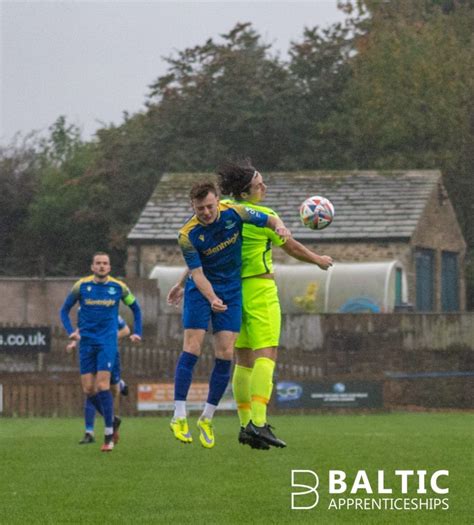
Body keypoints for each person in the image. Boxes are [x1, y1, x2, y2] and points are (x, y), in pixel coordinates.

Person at [168, 162, 333, 450]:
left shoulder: (222, 210)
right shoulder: (258, 214)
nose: (264, 188)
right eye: (259, 185)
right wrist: (318, 259)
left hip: (232, 290)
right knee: (266, 355)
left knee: (241, 359)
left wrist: (181, 282)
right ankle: (259, 422)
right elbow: (290, 245)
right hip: (258, 288)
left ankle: (245, 425)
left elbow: (205, 258)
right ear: (246, 190)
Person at [169, 180, 290, 449]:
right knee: (193, 347)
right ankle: (179, 415)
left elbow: (269, 218)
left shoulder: (235, 212)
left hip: (232, 289)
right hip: (202, 290)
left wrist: (280, 226)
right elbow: (197, 273)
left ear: (218, 201)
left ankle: (207, 417)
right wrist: (210, 297)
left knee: (225, 353)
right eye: (200, 208)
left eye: (210, 206)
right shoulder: (187, 235)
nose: (206, 213)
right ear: (193, 207)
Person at [60, 252, 142, 452]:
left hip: (107, 343)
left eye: (105, 263)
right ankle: (112, 420)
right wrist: (71, 332)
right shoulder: (81, 286)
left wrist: (137, 332)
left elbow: (136, 308)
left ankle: (108, 437)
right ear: (92, 266)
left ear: (110, 267)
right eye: (98, 263)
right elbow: (63, 310)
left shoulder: (119, 287)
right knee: (88, 389)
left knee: (102, 385)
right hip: (87, 343)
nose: (102, 266)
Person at [67, 315, 131, 445]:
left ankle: (120, 384)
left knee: (110, 390)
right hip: (91, 351)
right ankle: (90, 431)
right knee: (91, 391)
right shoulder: (86, 308)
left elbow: (126, 330)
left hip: (108, 351)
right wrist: (74, 342)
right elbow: (81, 329)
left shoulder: (110, 311)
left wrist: (109, 337)